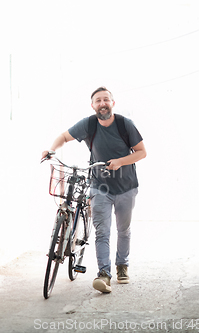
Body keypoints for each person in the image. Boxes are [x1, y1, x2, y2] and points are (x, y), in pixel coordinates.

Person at [41, 86, 146, 293]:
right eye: (98, 101)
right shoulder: (89, 124)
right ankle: (104, 274)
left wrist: (120, 162)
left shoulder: (125, 125)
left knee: (123, 230)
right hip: (100, 187)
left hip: (126, 187)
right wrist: (52, 149)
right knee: (102, 232)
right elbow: (64, 137)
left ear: (112, 103)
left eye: (106, 100)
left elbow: (142, 152)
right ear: (93, 105)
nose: (102, 103)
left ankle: (122, 266)